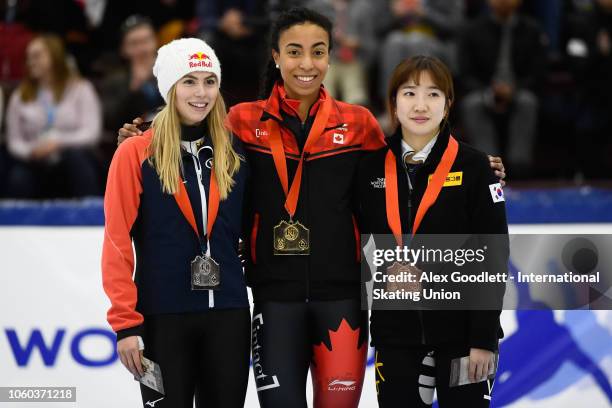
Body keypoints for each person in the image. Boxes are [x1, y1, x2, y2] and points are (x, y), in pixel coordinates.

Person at [117, 8, 507, 408]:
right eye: (294, 51)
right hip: (273, 301)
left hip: (341, 301)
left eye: (318, 52)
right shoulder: (241, 121)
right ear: (275, 56)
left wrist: (477, 169)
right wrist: (142, 138)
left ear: (330, 57)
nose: (307, 63)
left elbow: (405, 175)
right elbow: (191, 134)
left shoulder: (358, 124)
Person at [102, 38, 250, 408]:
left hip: (228, 315)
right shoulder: (135, 152)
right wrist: (126, 325)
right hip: (159, 320)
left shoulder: (236, 152)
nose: (201, 93)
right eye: (189, 81)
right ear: (169, 87)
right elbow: (117, 244)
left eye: (209, 81)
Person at [356, 55, 509, 407]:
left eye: (433, 94)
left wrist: (483, 338)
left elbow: (494, 256)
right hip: (396, 335)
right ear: (392, 102)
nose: (420, 105)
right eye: (409, 93)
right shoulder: (367, 171)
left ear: (449, 104)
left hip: (464, 337)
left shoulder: (476, 168)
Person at [5, 33, 102, 198]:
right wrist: (31, 151)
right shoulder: (20, 96)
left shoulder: (81, 89)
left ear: (55, 56)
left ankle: (91, 216)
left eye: (37, 56)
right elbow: (14, 140)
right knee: (18, 176)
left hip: (71, 159)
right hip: (34, 162)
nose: (31, 62)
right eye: (28, 57)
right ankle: (17, 221)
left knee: (76, 160)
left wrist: (58, 143)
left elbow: (91, 133)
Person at [459, 0, 546, 177]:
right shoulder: (472, 29)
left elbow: (538, 73)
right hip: (483, 91)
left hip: (519, 90)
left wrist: (514, 89)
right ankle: (487, 166)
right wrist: (490, 92)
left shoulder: (532, 30)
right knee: (473, 103)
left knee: (527, 102)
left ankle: (520, 167)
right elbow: (465, 74)